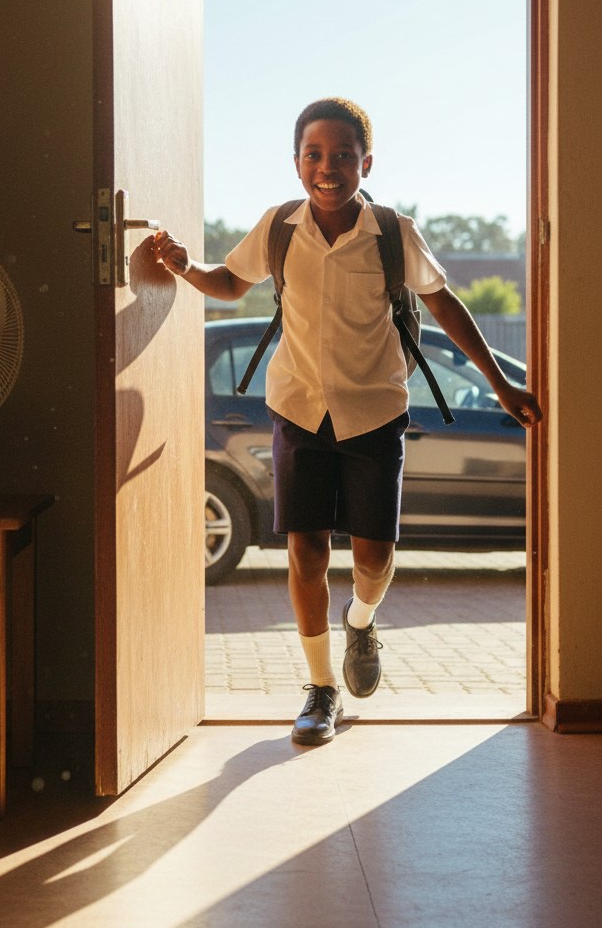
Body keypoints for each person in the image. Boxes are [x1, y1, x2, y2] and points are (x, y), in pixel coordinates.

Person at [152, 96, 543, 747]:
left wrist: (502, 384)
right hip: (298, 407)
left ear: (366, 162)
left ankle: (360, 621)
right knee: (305, 547)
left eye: (340, 156)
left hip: (374, 412)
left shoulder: (392, 231)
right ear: (297, 161)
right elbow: (229, 282)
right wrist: (185, 266)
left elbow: (444, 304)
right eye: (313, 154)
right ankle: (319, 687)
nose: (326, 167)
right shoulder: (279, 227)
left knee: (375, 555)